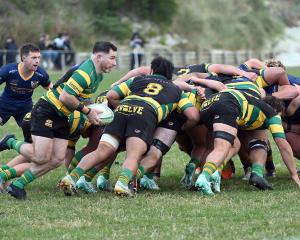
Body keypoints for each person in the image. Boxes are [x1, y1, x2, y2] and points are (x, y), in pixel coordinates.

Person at [59, 56, 200, 197]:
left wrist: (125, 108)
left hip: (122, 111)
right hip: (145, 114)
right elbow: (193, 116)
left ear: (151, 70)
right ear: (170, 75)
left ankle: (71, 178)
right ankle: (122, 184)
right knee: (133, 155)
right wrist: (184, 128)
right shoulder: (176, 90)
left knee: (101, 151)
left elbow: (111, 95)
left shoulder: (136, 80)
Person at [6, 41, 117, 200]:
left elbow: (82, 98)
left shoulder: (97, 75)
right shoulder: (85, 73)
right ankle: (10, 141)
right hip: (47, 110)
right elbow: (66, 96)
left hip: (62, 116)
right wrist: (87, 111)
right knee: (40, 157)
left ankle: (17, 185)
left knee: (57, 159)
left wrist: (97, 109)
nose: (114, 63)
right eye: (112, 58)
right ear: (99, 57)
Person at [195, 89, 300, 195]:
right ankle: (204, 177)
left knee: (235, 145)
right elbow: (283, 147)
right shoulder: (272, 114)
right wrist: (294, 175)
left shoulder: (254, 105)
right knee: (221, 148)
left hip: (207, 105)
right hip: (229, 101)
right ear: (277, 111)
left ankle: (216, 172)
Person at [0, 43, 51, 127]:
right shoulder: (8, 70)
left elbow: (53, 90)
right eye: (34, 57)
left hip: (25, 107)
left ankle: (9, 141)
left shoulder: (41, 74)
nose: (37, 61)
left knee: (33, 132)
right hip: (5, 104)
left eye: (39, 57)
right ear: (24, 58)